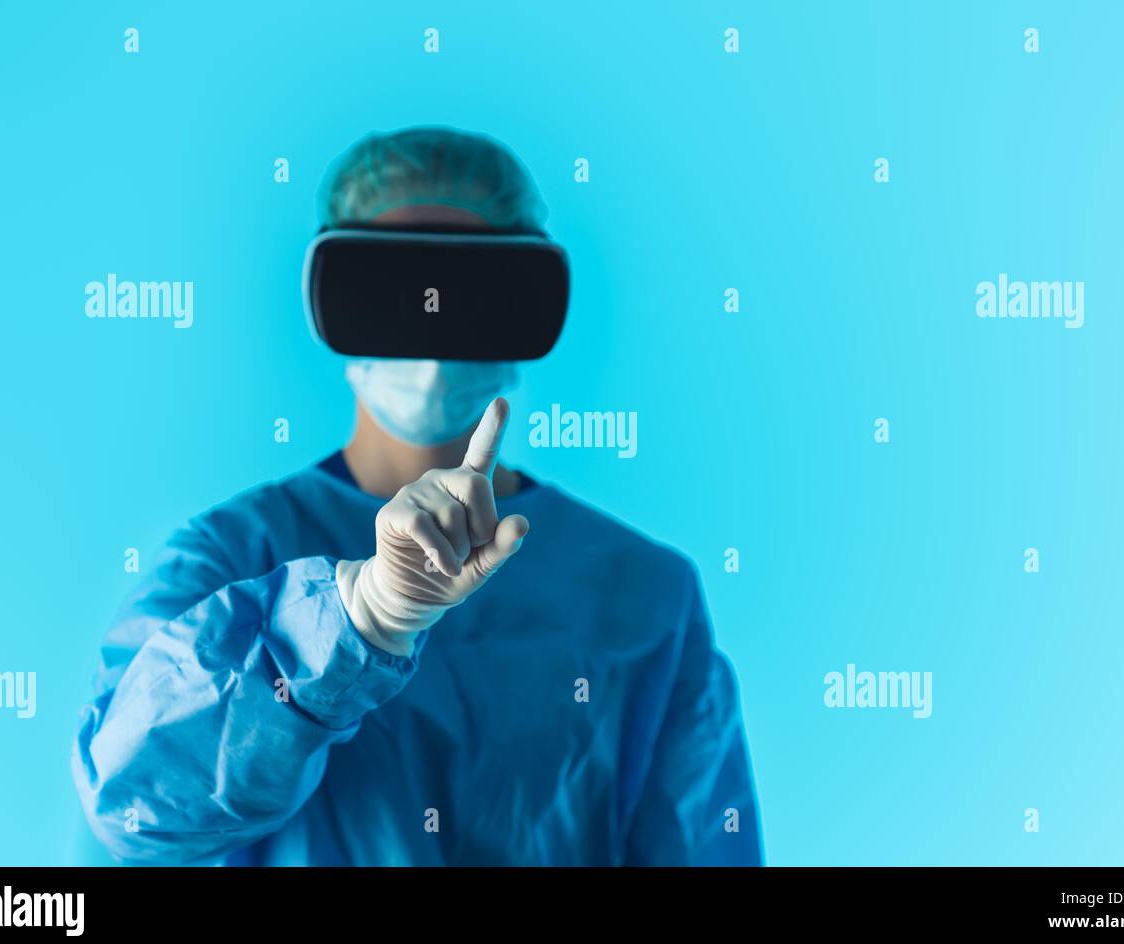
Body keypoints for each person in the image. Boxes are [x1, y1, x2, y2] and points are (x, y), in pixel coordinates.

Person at [70, 126, 763, 865]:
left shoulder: (645, 596)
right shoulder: (232, 556)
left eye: (473, 289)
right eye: (394, 287)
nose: (432, 325)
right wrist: (350, 625)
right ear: (337, 298)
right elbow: (135, 801)